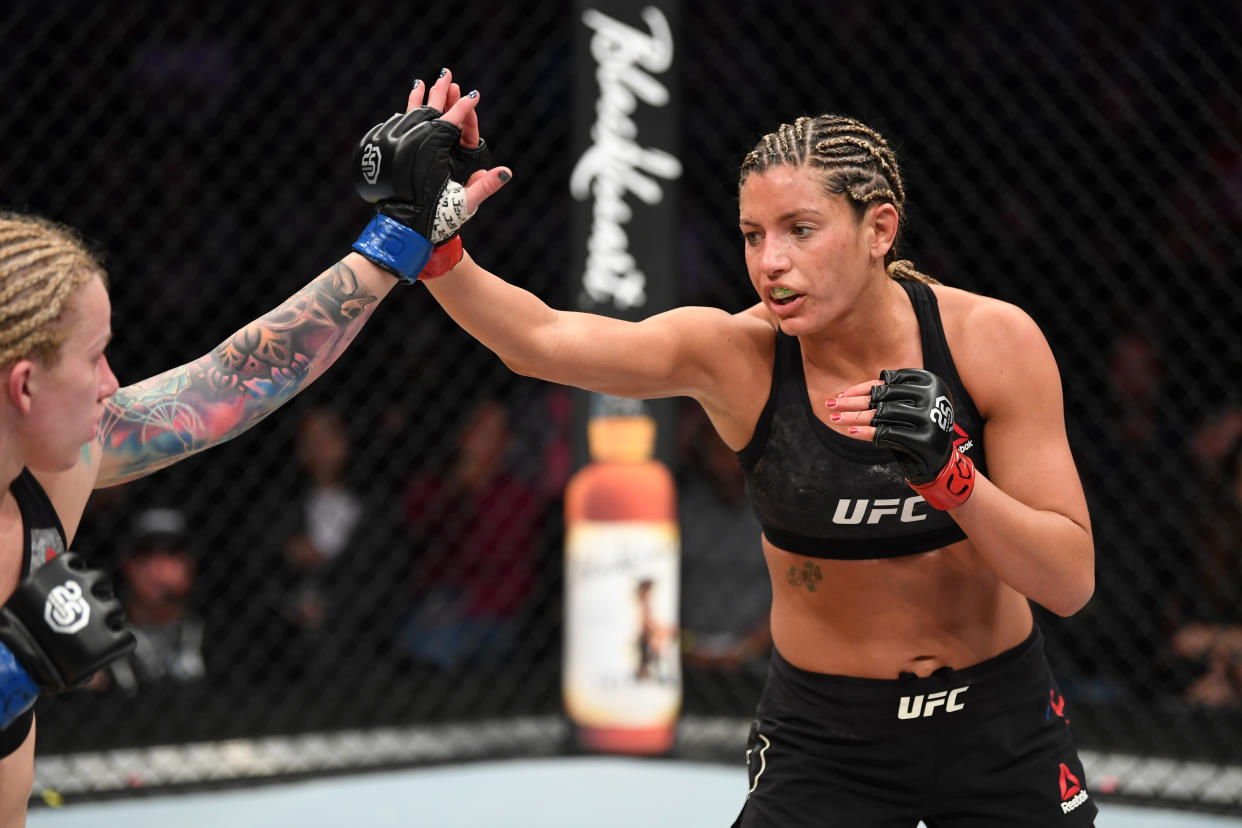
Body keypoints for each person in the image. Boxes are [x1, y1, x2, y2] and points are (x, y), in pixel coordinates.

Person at [394, 74, 1098, 826]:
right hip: (828, 740)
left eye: (800, 229)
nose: (770, 262)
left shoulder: (992, 343)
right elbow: (540, 341)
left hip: (997, 719)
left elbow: (1067, 582)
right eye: (752, 235)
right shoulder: (737, 356)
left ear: (879, 230)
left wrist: (958, 482)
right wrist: (434, 244)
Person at [0, 76, 506, 826]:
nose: (114, 383)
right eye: (96, 359)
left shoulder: (61, 469)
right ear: (25, 385)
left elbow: (231, 379)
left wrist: (398, 234)